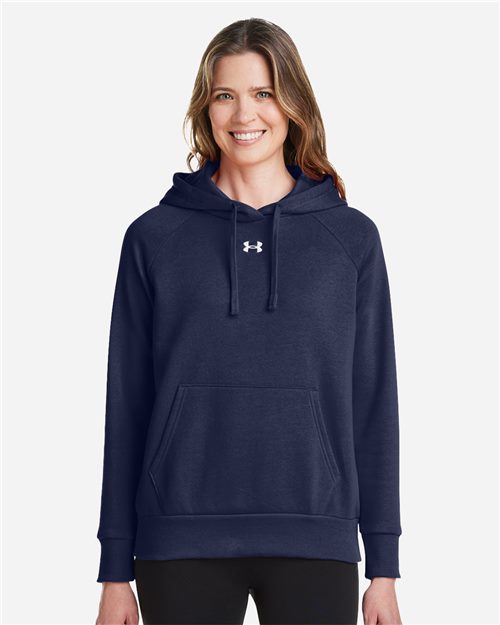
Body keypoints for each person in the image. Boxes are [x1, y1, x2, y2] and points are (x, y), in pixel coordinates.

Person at [95, 17, 403, 625]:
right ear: (204, 109)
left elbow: (373, 403)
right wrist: (113, 570)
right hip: (178, 539)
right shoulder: (154, 238)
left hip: (316, 535)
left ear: (292, 104)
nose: (244, 114)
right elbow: (126, 404)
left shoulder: (350, 239)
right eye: (225, 95)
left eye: (263, 92)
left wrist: (384, 567)